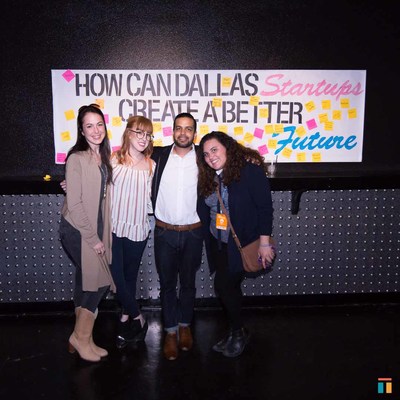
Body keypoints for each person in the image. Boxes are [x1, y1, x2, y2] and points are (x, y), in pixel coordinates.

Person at [196, 131, 275, 358]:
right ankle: (235, 331)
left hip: (242, 243)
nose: (210, 157)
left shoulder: (249, 171)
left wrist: (264, 244)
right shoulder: (210, 176)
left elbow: (265, 208)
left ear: (227, 148)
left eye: (214, 150)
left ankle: (238, 332)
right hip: (218, 243)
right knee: (229, 288)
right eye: (206, 154)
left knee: (224, 286)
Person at [59, 103, 115, 362]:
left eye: (99, 124)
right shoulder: (77, 158)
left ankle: (85, 338)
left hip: (96, 226)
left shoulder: (104, 157)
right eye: (89, 126)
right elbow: (76, 203)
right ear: (81, 131)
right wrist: (93, 239)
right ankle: (80, 338)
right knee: (97, 281)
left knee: (87, 281)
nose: (95, 130)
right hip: (77, 229)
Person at [151, 112, 203, 361]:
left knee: (189, 283)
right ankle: (170, 331)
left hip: (193, 232)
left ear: (195, 133)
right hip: (164, 232)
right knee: (168, 285)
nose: (183, 133)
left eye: (188, 128)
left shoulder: (204, 157)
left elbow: (231, 156)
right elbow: (125, 157)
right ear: (172, 131)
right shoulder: (158, 156)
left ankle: (185, 326)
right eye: (179, 128)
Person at [110, 116, 155, 349]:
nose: (143, 138)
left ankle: (125, 317)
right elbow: (95, 185)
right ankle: (138, 316)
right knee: (116, 278)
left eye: (147, 134)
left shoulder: (151, 165)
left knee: (129, 276)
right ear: (128, 133)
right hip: (113, 226)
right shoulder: (112, 159)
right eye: (139, 132)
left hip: (137, 227)